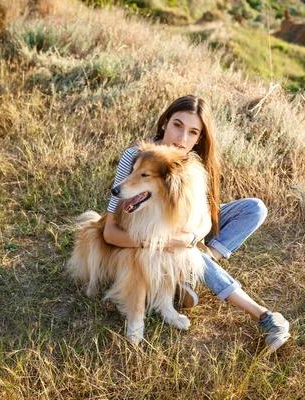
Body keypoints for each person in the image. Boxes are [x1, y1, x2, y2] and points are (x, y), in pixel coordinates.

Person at [103, 95, 291, 352]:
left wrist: (190, 240)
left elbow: (206, 217)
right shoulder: (137, 156)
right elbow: (110, 230)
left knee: (254, 208)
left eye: (193, 132)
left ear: (199, 138)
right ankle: (262, 315)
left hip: (190, 230)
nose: (182, 138)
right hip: (154, 229)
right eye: (177, 126)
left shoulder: (196, 162)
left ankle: (189, 271)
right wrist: (166, 242)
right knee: (187, 251)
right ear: (165, 123)